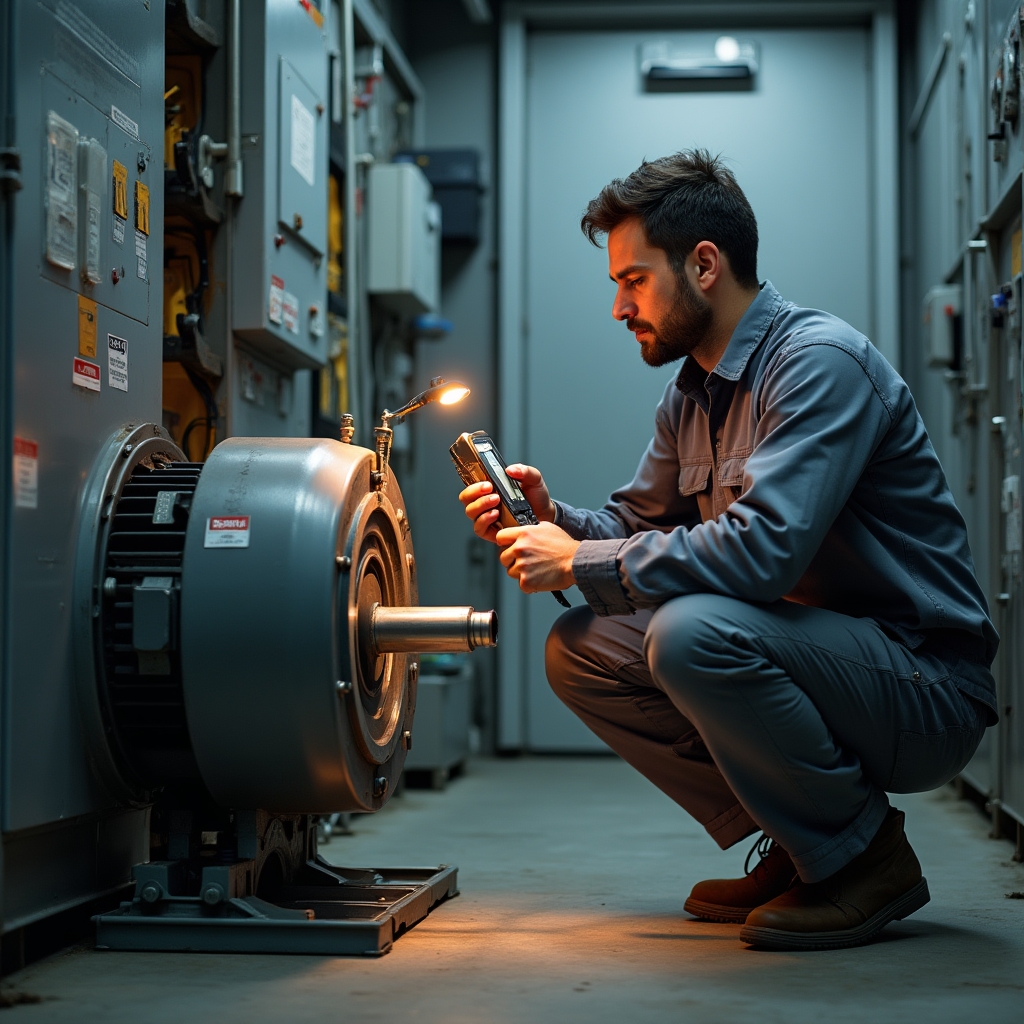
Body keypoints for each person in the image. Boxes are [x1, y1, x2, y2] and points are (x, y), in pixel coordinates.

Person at [459, 150, 997, 951]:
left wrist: (576, 563)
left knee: (692, 633)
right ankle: (805, 842)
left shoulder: (818, 362)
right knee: (583, 648)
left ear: (703, 265)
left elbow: (763, 555)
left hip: (922, 688)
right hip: (818, 666)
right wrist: (557, 521)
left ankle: (865, 859)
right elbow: (635, 527)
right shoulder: (691, 394)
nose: (618, 307)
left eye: (633, 280)